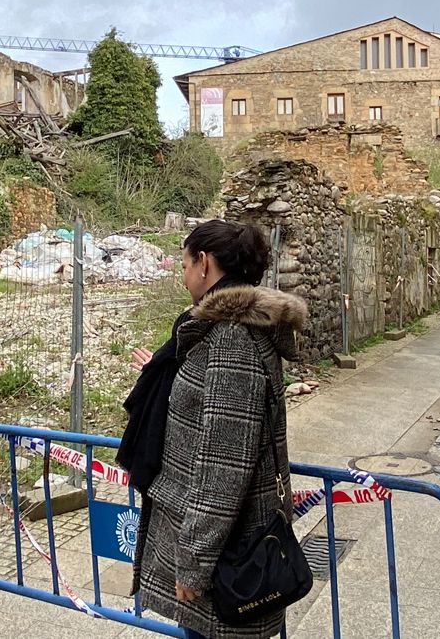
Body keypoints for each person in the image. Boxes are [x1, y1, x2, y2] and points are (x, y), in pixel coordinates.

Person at [129, 220, 306, 639]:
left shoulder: (231, 339)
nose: (183, 273)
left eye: (186, 262)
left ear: (204, 263)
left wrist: (192, 563)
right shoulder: (226, 331)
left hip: (227, 560)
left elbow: (223, 469)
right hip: (226, 550)